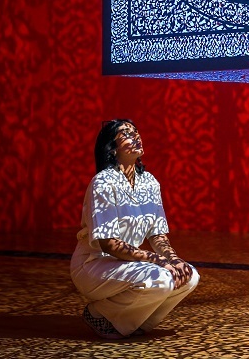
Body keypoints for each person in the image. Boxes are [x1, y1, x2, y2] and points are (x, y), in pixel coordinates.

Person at [70, 119, 199, 339]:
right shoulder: (103, 182)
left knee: (189, 275)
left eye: (137, 132)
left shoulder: (150, 182)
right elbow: (108, 244)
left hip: (127, 263)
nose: (136, 137)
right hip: (94, 265)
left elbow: (157, 234)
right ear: (113, 148)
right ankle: (100, 314)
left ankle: (133, 324)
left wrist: (174, 259)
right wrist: (157, 260)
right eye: (127, 134)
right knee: (160, 278)